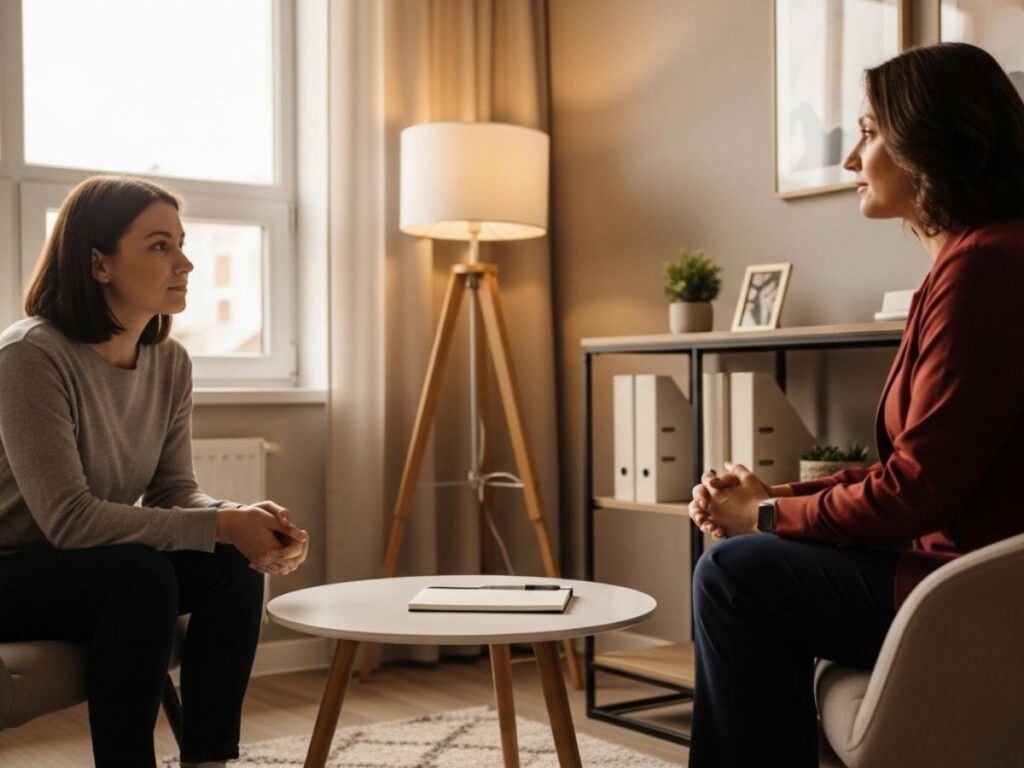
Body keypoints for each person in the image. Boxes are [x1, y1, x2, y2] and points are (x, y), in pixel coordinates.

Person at [687, 43, 1024, 767]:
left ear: (928, 141)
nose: (851, 160)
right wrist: (773, 496)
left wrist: (768, 515)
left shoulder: (985, 269)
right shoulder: (979, 258)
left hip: (972, 595)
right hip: (957, 566)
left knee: (733, 576)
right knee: (748, 559)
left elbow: (917, 493)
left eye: (868, 132)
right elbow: (912, 467)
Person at [0, 176, 310, 768]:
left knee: (231, 564)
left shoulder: (169, 362)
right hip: (10, 570)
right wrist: (221, 524)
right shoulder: (29, 357)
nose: (186, 263)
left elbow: (173, 489)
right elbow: (69, 521)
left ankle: (208, 759)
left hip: (83, 567)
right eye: (160, 245)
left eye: (182, 243)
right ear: (99, 264)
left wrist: (239, 521)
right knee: (137, 576)